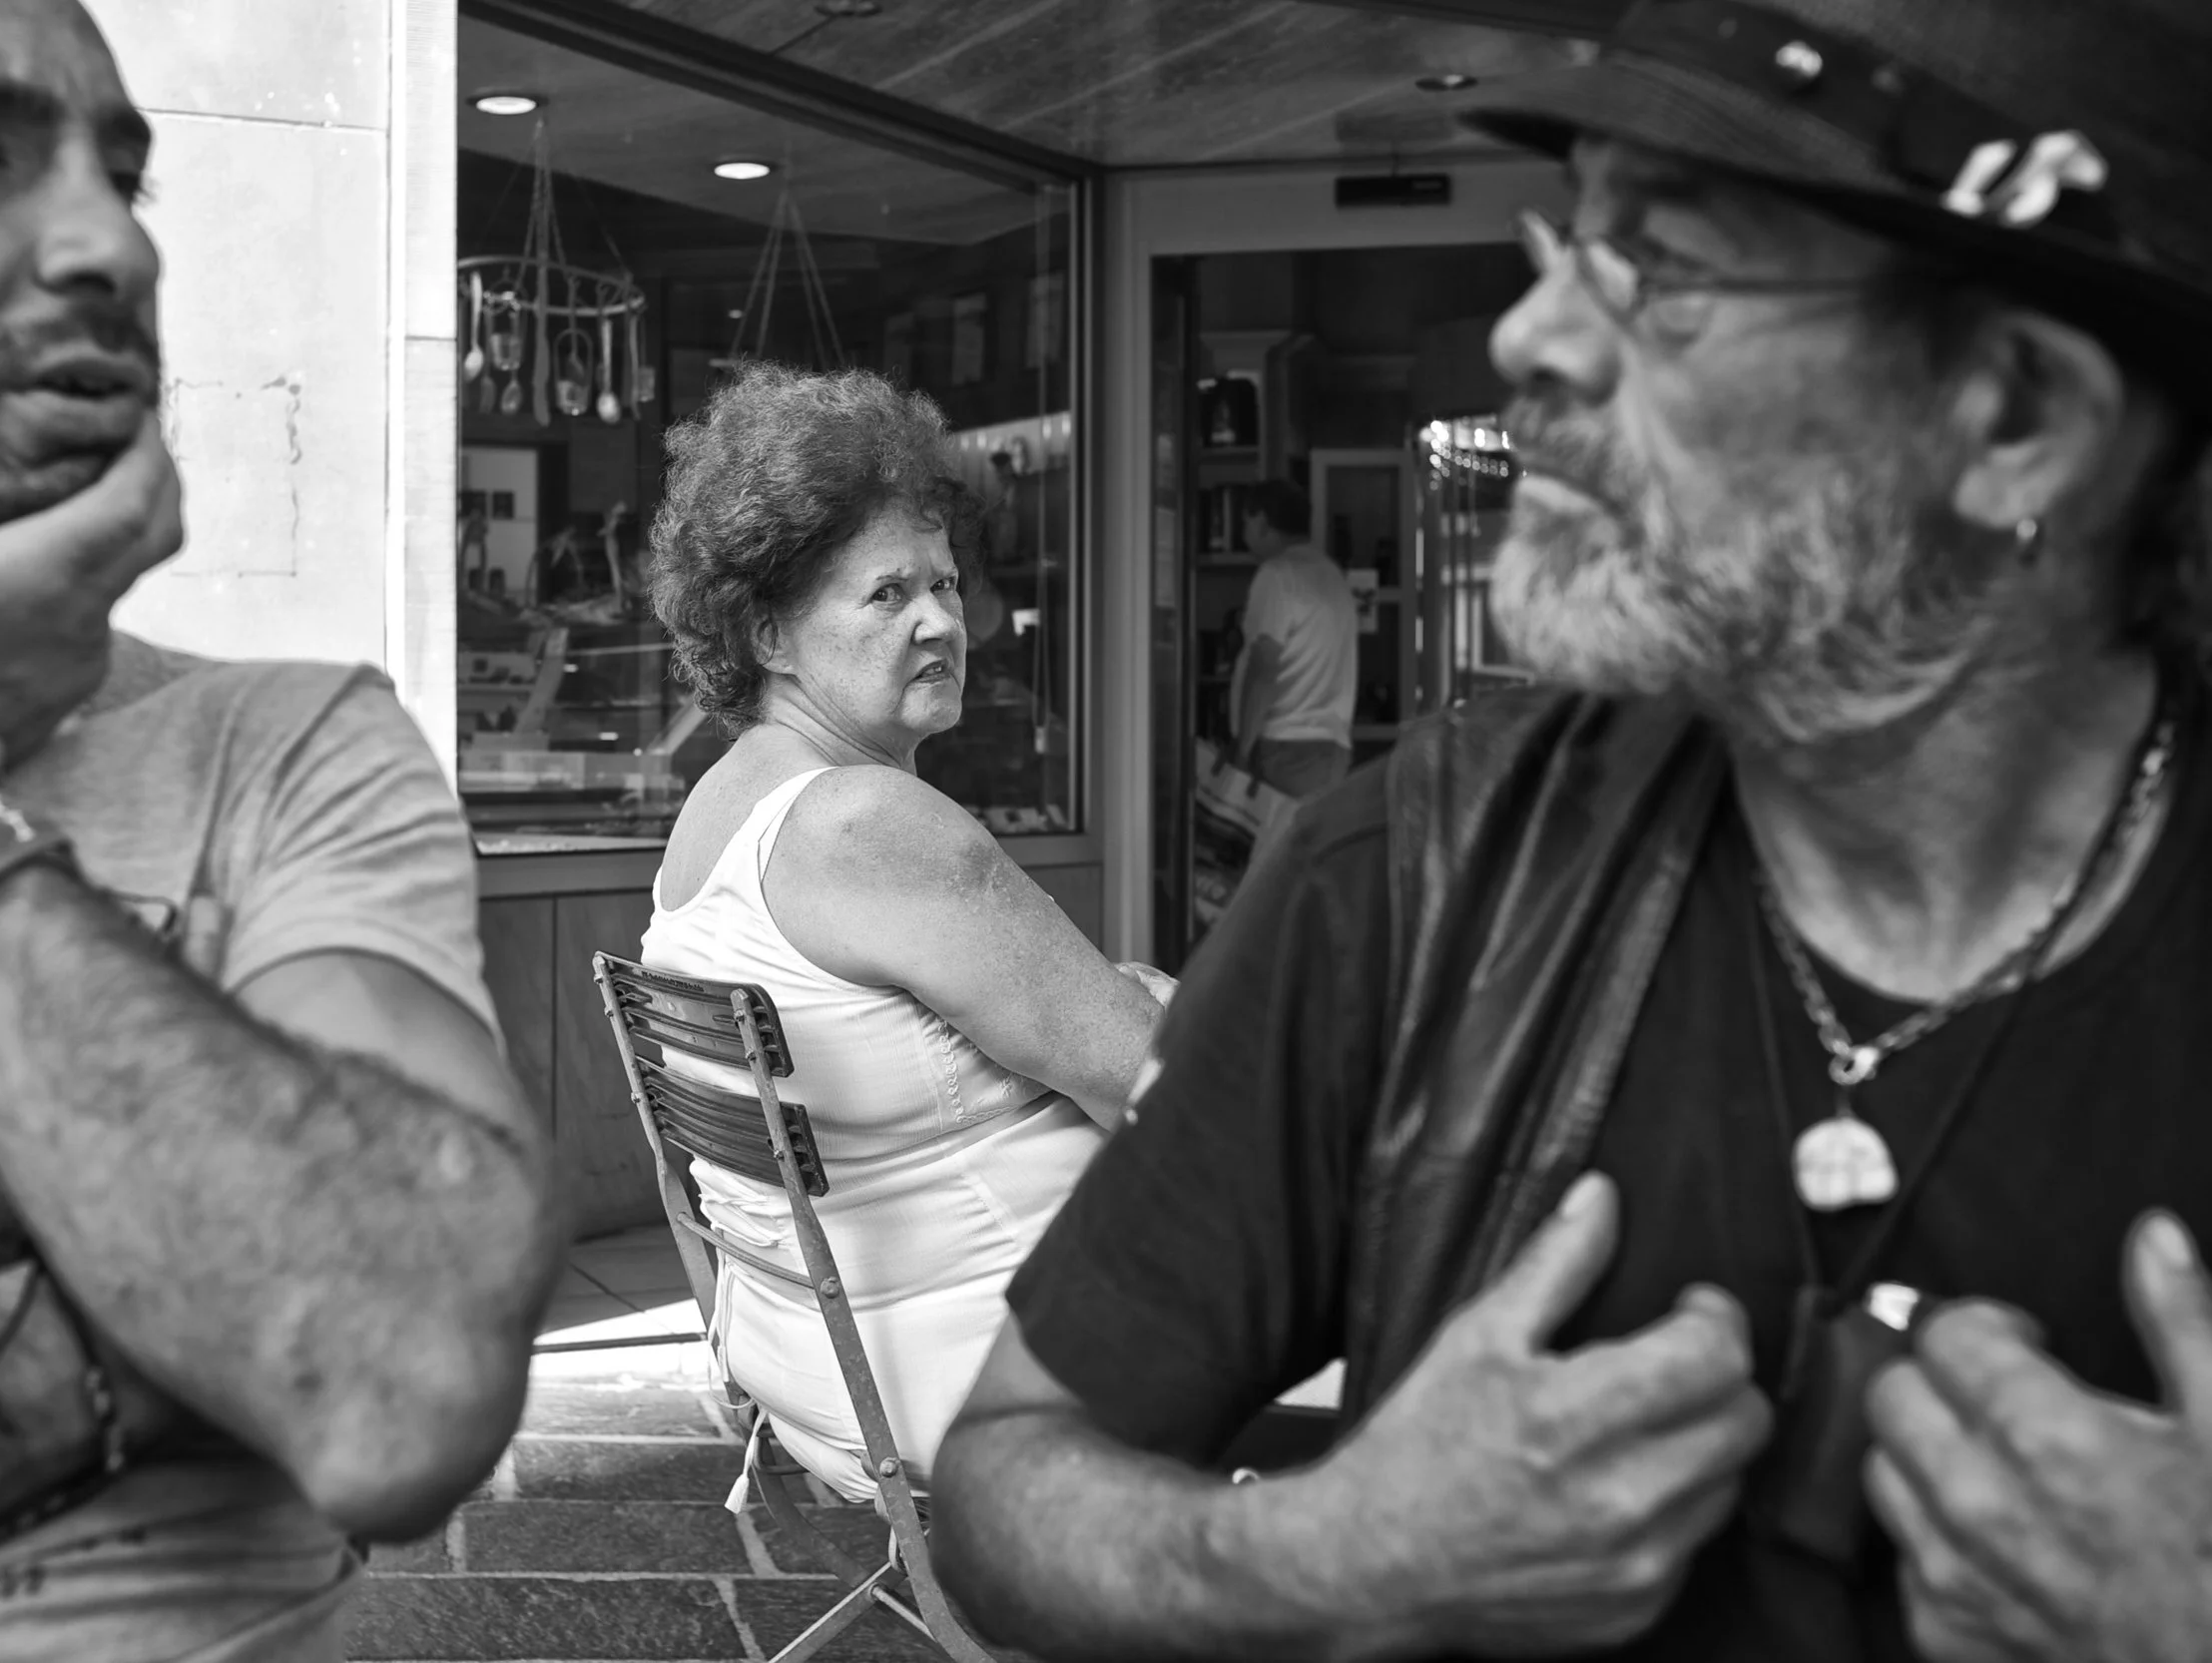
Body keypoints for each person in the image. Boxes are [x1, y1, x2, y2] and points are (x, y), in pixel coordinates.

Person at [934, 3, 2212, 1660]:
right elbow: (999, 1493)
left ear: (2017, 416)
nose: (1531, 332)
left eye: (1660, 268)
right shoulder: (1412, 871)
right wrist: (1329, 1553)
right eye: (1572, 235)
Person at [0, 2, 564, 1658]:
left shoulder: (283, 745)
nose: (111, 241)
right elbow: (360, 1319)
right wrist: (195, 1315)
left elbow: (402, 1374)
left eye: (125, 173)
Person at [640, 362, 1171, 1503]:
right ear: (770, 633)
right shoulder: (870, 822)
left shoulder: (725, 803)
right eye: (887, 596)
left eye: (943, 583)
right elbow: (1155, 1087)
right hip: (1013, 1377)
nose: (941, 621)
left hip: (827, 1372)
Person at [1228, 478, 1356, 801]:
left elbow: (1264, 667)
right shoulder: (1331, 575)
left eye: (1246, 522)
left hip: (1285, 748)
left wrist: (1242, 750)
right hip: (1330, 748)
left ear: (1263, 522)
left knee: (1274, 848)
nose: (1244, 535)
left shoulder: (1278, 575)